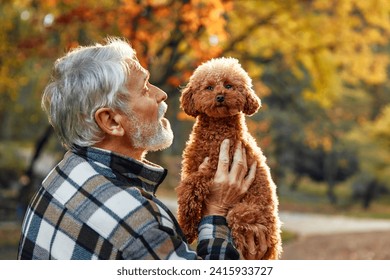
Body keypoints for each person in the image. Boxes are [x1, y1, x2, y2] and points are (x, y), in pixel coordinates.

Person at [17, 38, 263, 260]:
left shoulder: (59, 177)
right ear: (112, 121)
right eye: (145, 89)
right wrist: (216, 212)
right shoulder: (139, 224)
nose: (162, 94)